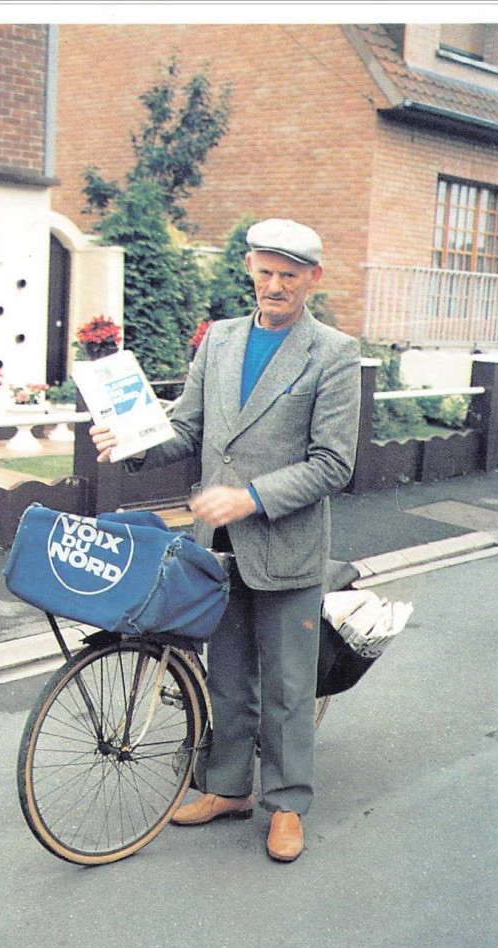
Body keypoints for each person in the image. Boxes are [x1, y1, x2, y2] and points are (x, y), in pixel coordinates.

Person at [90, 218, 361, 862]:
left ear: (312, 280)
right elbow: (187, 428)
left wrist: (251, 497)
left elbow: (333, 464)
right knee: (229, 677)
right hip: (217, 543)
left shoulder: (333, 352)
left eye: (289, 275)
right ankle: (229, 787)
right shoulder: (220, 340)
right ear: (250, 270)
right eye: (265, 271)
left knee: (289, 688)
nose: (275, 284)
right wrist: (131, 446)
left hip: (286, 547)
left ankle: (288, 803)